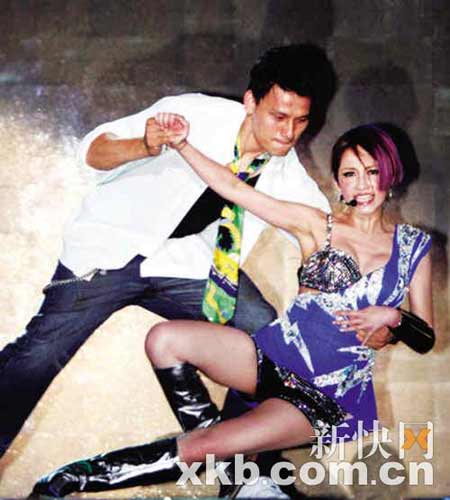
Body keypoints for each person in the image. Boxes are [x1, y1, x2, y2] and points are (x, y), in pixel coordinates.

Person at [32, 122, 435, 497]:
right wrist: (183, 144)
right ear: (338, 182)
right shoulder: (317, 225)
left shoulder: (414, 247)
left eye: (372, 172)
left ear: (390, 173)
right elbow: (234, 188)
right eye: (350, 174)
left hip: (325, 393)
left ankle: (61, 482)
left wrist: (394, 318)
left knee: (202, 446)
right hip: (272, 356)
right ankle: (238, 474)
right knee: (164, 339)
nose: (362, 185)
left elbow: (426, 337)